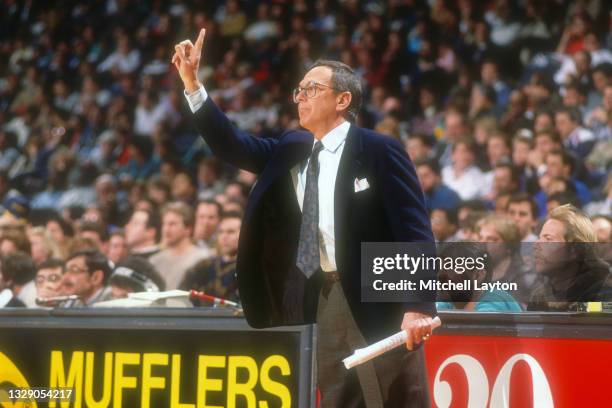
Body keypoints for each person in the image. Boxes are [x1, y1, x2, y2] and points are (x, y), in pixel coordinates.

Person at [173, 29, 437, 407]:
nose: (301, 97)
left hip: (381, 294)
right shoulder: (292, 147)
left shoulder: (379, 149)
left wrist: (418, 306)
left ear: (343, 99)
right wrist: (193, 83)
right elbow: (232, 144)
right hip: (326, 292)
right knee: (338, 397)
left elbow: (414, 232)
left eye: (312, 89)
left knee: (395, 397)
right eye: (299, 90)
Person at [529, 204, 612, 311]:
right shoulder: (539, 297)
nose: (536, 244)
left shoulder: (605, 292)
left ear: (575, 249)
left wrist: (580, 309)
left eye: (548, 239)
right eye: (539, 238)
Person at [180, 211, 242, 302]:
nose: (224, 236)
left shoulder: (249, 269)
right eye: (221, 232)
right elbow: (182, 295)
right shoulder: (204, 265)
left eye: (230, 232)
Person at [150, 201, 212, 290]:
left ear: (188, 229)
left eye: (172, 224)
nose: (166, 229)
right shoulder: (155, 260)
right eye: (164, 224)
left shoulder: (202, 258)